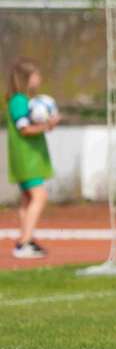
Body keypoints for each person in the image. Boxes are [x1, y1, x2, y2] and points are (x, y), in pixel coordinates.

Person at [7, 59, 59, 259]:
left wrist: (48, 125)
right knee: (39, 196)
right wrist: (47, 125)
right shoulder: (19, 101)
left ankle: (26, 238)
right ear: (25, 78)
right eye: (36, 75)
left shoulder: (23, 100)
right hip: (26, 158)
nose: (39, 79)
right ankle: (23, 244)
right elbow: (24, 128)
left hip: (27, 158)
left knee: (27, 199)